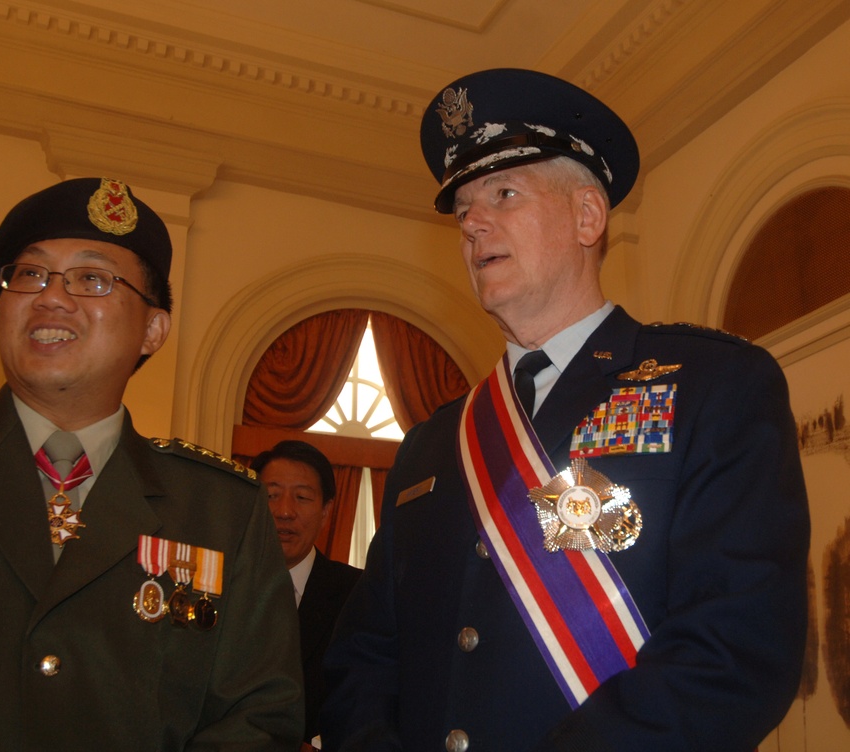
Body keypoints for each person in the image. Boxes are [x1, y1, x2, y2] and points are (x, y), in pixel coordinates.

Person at [321, 69, 810, 751]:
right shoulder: (433, 443)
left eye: (504, 193)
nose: (472, 224)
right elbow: (364, 658)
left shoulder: (714, 387)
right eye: (463, 208)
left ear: (588, 216)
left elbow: (737, 650)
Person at [0, 177, 303, 750]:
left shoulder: (222, 510)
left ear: (153, 329)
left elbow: (258, 717)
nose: (50, 297)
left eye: (91, 279)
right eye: (29, 275)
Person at [250, 441, 362, 750]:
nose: (284, 511)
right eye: (271, 495)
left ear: (326, 511)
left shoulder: (356, 593)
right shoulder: (220, 587)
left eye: (301, 497)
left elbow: (366, 695)